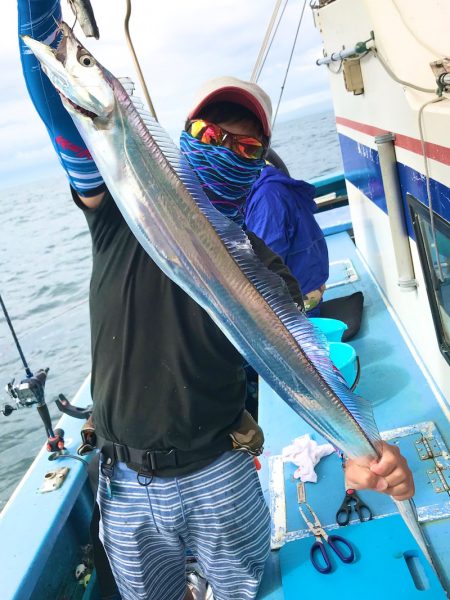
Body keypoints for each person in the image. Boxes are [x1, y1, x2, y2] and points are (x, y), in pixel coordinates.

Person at [17, 3, 415, 599]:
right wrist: (47, 26)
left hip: (223, 474)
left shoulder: (263, 265)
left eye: (248, 147)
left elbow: (304, 366)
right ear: (185, 137)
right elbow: (46, 70)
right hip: (125, 482)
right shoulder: (121, 214)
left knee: (241, 592)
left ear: (260, 165)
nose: (227, 148)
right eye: (209, 134)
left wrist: (365, 453)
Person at [245, 162, 329, 316]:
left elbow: (263, 267)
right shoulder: (268, 187)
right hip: (307, 288)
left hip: (297, 307)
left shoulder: (268, 198)